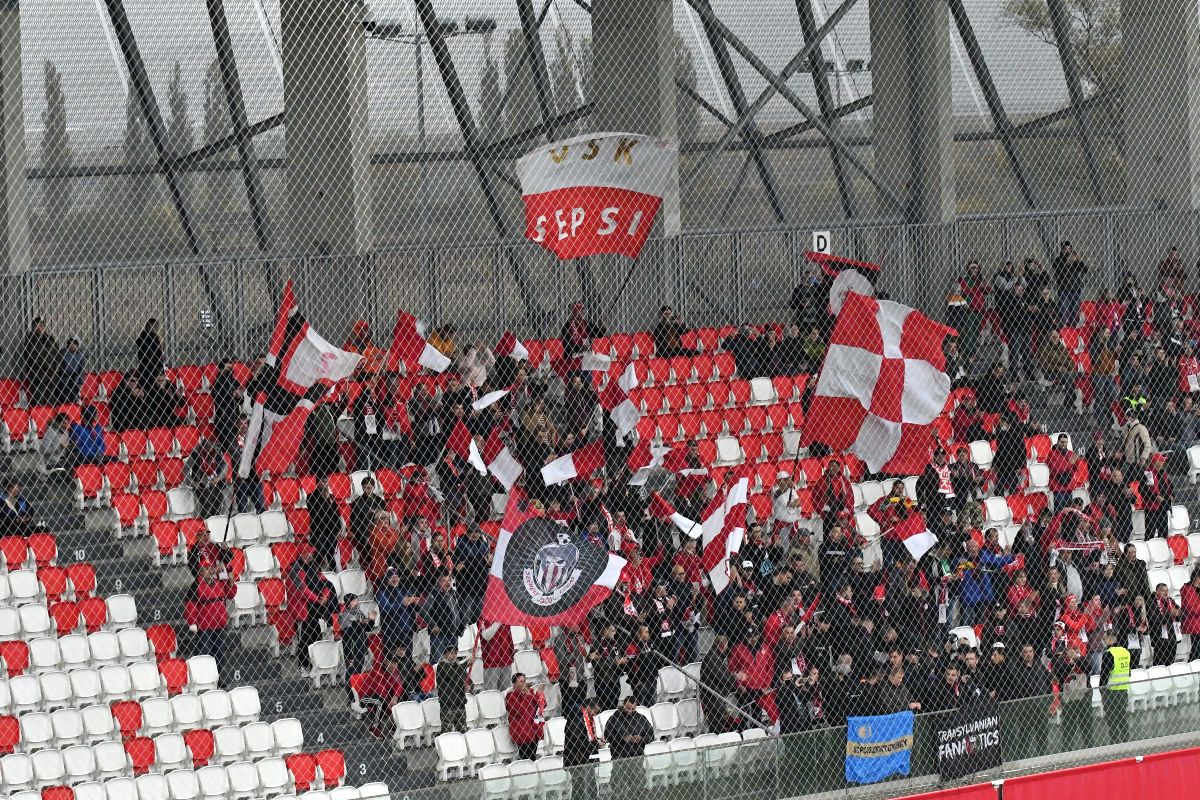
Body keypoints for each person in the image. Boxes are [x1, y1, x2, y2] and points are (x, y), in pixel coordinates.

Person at [184, 560, 236, 678]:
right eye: (207, 568)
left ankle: (216, 677)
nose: (210, 570)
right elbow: (190, 605)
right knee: (203, 653)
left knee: (219, 653)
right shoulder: (196, 585)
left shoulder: (220, 583)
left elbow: (230, 595)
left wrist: (231, 584)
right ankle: (201, 677)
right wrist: (192, 622)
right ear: (201, 572)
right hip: (204, 626)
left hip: (219, 624)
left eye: (211, 568)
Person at [288, 545, 333, 675]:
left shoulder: (313, 567)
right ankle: (303, 666)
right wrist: (318, 599)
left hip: (315, 609)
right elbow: (301, 591)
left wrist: (325, 595)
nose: (312, 555)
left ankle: (315, 665)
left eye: (312, 553)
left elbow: (325, 582)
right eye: (309, 553)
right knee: (304, 639)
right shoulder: (294, 570)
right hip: (302, 610)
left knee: (316, 637)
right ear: (303, 554)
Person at [563, 696, 604, 800]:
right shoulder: (576, 717)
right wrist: (595, 744)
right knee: (579, 786)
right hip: (577, 758)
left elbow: (587, 737)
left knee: (590, 784)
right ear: (589, 708)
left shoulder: (586, 717)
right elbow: (577, 740)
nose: (595, 715)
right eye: (595, 711)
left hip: (585, 756)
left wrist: (597, 740)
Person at [359, 658, 406, 739]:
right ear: (385, 662)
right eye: (391, 662)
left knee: (403, 695)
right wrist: (390, 706)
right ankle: (374, 727)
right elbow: (381, 691)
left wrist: (395, 697)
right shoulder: (378, 672)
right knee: (380, 701)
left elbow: (399, 685)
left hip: (383, 695)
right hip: (365, 697)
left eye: (395, 663)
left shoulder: (394, 671)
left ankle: (394, 725)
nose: (394, 665)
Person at [1099, 629, 1131, 744]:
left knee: (1111, 719)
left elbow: (1104, 675)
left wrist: (1101, 689)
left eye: (1104, 638)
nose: (1103, 640)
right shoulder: (1125, 652)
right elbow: (1129, 672)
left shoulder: (1109, 653)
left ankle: (1114, 741)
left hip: (1111, 691)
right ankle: (1126, 739)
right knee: (1122, 716)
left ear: (1109, 638)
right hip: (1123, 689)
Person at [422, 574, 464, 662]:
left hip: (454, 633)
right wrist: (433, 625)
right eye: (444, 581)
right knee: (437, 661)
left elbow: (461, 610)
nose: (447, 583)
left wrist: (461, 627)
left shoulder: (453, 593)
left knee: (452, 662)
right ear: (438, 582)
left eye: (449, 580)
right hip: (440, 635)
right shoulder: (433, 594)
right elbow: (423, 610)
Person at [348, 477, 386, 572]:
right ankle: (370, 571)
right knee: (370, 548)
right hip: (364, 535)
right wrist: (366, 537)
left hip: (379, 533)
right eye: (364, 488)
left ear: (373, 487)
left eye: (368, 488)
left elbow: (385, 519)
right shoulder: (357, 503)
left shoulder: (380, 502)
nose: (366, 490)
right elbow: (354, 524)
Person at [21, 318, 60, 407]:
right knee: (38, 401)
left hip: (51, 375)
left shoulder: (50, 339)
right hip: (37, 376)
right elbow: (30, 357)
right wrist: (46, 366)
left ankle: (49, 416)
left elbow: (57, 354)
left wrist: (55, 368)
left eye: (41, 325)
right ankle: (38, 416)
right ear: (33, 327)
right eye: (37, 326)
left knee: (50, 401)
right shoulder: (30, 340)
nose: (39, 328)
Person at [186, 438, 230, 518]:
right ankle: (206, 523)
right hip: (202, 484)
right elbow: (185, 469)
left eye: (211, 448)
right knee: (206, 507)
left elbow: (224, 465)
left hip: (216, 483)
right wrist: (193, 483)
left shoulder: (217, 450)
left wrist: (219, 477)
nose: (209, 451)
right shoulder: (196, 452)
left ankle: (215, 523)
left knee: (218, 504)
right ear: (203, 446)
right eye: (207, 448)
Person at [506, 673, 545, 761]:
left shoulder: (530, 692)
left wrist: (539, 695)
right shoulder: (511, 696)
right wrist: (527, 696)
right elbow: (521, 711)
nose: (523, 683)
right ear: (514, 684)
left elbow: (541, 706)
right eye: (520, 682)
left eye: (524, 681)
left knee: (533, 757)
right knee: (526, 759)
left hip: (534, 729)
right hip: (522, 732)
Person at [552, 625, 590, 716]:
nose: (577, 626)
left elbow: (584, 656)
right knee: (570, 709)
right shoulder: (560, 639)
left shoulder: (579, 638)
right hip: (567, 679)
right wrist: (576, 651)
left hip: (581, 677)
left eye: (578, 624)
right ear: (567, 625)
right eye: (574, 624)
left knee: (582, 708)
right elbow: (562, 661)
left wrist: (589, 656)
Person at [307, 477, 342, 572]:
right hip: (319, 532)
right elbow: (317, 515)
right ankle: (316, 574)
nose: (326, 484)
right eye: (323, 481)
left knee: (332, 557)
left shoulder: (331, 497)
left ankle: (334, 574)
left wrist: (338, 529)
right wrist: (325, 500)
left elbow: (336, 514)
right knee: (318, 557)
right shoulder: (311, 497)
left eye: (327, 481)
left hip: (332, 532)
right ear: (318, 483)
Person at [435, 646, 474, 733]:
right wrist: (466, 663)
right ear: (444, 654)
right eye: (451, 653)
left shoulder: (459, 667)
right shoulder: (442, 665)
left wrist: (468, 687)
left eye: (455, 653)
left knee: (462, 732)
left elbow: (470, 682)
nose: (453, 655)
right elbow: (452, 673)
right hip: (447, 706)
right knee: (447, 733)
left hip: (460, 704)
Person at [603, 696, 653, 761]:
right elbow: (607, 735)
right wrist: (622, 739)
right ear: (623, 705)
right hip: (619, 754)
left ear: (636, 707)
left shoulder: (641, 718)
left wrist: (641, 739)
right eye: (628, 708)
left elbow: (651, 735)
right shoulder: (614, 718)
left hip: (638, 753)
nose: (630, 711)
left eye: (633, 709)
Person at [338, 594, 375, 679]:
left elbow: (368, 629)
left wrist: (371, 620)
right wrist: (359, 623)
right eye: (354, 600)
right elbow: (348, 632)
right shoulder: (343, 615)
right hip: (351, 648)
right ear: (348, 603)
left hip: (362, 645)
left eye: (357, 600)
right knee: (352, 670)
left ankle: (357, 685)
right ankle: (349, 685)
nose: (357, 602)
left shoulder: (360, 613)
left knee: (360, 670)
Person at [1052, 241, 1087, 327]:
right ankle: (1062, 329)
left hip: (1075, 289)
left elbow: (1084, 270)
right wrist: (1068, 261)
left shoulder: (1074, 260)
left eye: (1069, 249)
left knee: (1075, 313)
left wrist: (1078, 260)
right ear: (1062, 250)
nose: (1068, 251)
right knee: (1063, 312)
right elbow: (1061, 271)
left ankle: (1072, 329)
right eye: (1065, 249)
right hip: (1064, 290)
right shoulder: (1058, 260)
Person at [1147, 582, 1180, 666]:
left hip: (1172, 635)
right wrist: (1170, 614)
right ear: (1157, 591)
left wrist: (1178, 613)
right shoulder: (1152, 602)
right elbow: (1155, 620)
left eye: (1167, 590)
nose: (1166, 593)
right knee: (1160, 662)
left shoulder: (1171, 600)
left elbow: (1179, 612)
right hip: (1159, 636)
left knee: (1171, 660)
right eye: (1163, 591)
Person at [478, 617, 514, 691]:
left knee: (506, 692)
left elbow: (509, 635)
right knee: (491, 692)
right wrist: (498, 621)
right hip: (491, 662)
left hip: (506, 659)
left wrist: (511, 653)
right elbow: (486, 636)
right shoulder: (483, 617)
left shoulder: (505, 616)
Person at [1181, 568, 1200, 661]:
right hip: (1193, 624)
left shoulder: (1197, 589)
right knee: (1196, 650)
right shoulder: (1187, 589)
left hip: (1197, 624)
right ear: (1196, 578)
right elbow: (1191, 608)